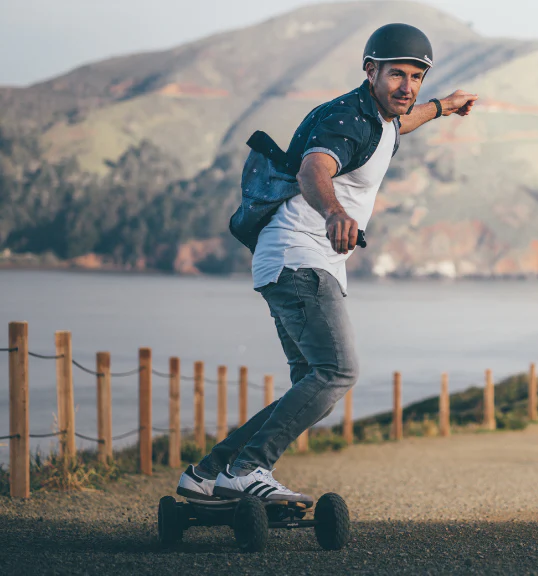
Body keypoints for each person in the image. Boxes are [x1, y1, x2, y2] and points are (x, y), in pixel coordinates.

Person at [176, 23, 477, 506]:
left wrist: (444, 106)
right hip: (300, 256)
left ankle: (209, 474)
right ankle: (248, 469)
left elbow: (403, 120)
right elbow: (315, 167)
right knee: (337, 371)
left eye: (416, 78)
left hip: (292, 261)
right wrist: (335, 212)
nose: (407, 87)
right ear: (370, 71)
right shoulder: (349, 120)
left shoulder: (379, 116)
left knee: (311, 379)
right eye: (397, 75)